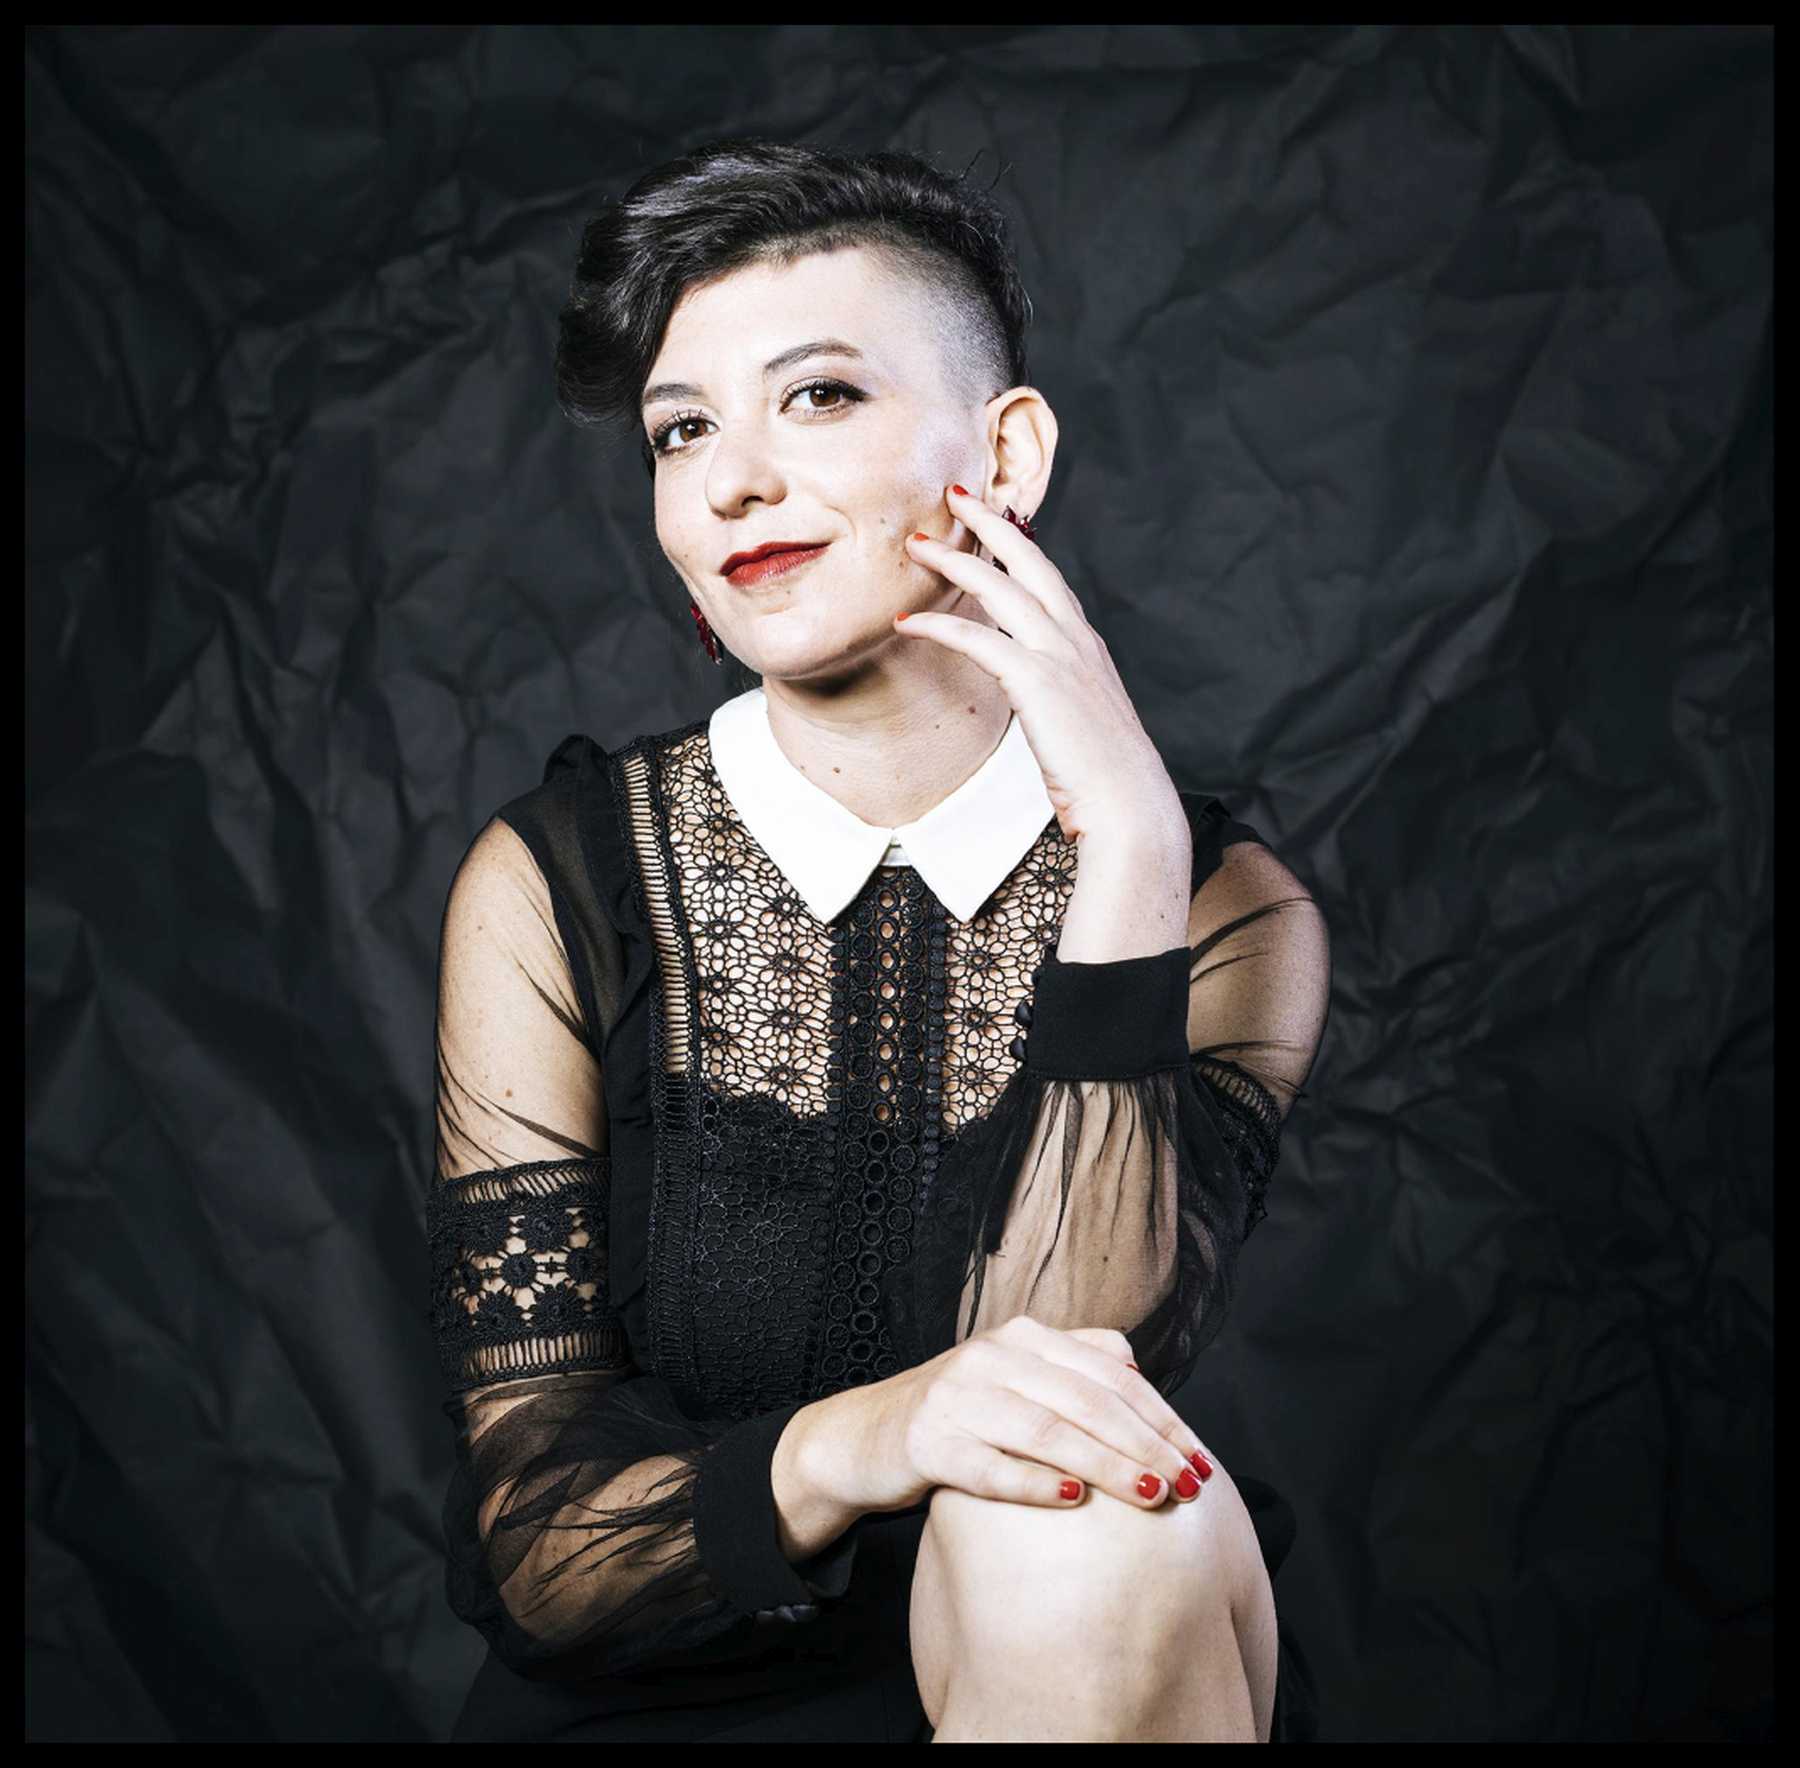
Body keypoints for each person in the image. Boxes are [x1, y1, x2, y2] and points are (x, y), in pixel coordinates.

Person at [425, 137, 1332, 1743]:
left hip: (1085, 1661)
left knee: (1089, 1516)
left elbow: (1080, 1386)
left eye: (820, 396)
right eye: (682, 430)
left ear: (1008, 452)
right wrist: (879, 1432)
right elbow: (541, 1543)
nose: (732, 482)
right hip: (658, 1699)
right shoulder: (553, 883)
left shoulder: (1217, 908)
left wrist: (1127, 855)